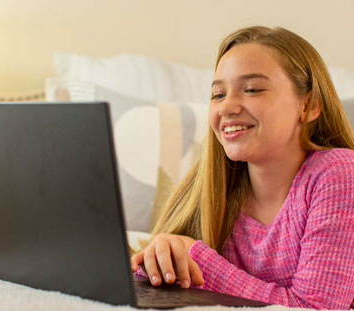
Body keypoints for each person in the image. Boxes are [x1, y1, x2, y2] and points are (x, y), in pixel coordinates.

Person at [131, 26, 354, 309]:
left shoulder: (339, 172)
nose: (228, 107)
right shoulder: (214, 185)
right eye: (218, 95)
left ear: (309, 105)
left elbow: (316, 308)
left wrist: (197, 260)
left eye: (251, 89)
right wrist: (161, 258)